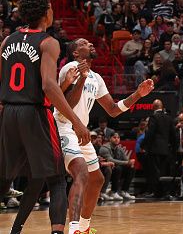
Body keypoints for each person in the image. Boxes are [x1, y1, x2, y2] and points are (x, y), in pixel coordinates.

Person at [0, 0, 90, 234]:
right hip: (34, 113)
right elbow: (48, 85)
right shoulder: (48, 42)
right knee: (57, 178)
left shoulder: (7, 41)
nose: (52, 11)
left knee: (6, 178)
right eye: (50, 7)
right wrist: (77, 122)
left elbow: (2, 81)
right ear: (44, 13)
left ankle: (15, 230)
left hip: (8, 112)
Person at [55, 38, 153, 233]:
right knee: (81, 173)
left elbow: (113, 110)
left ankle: (84, 227)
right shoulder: (70, 69)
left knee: (97, 179)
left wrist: (137, 95)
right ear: (75, 53)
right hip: (65, 126)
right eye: (84, 43)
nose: (90, 44)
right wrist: (81, 78)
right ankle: (74, 228)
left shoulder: (96, 77)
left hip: (81, 131)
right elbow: (66, 105)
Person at [142, 99, 177, 198]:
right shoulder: (169, 118)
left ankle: (155, 192)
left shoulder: (153, 117)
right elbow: (173, 135)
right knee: (163, 171)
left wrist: (143, 145)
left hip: (154, 149)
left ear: (154, 107)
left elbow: (150, 133)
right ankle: (164, 192)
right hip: (165, 150)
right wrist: (173, 149)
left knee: (154, 171)